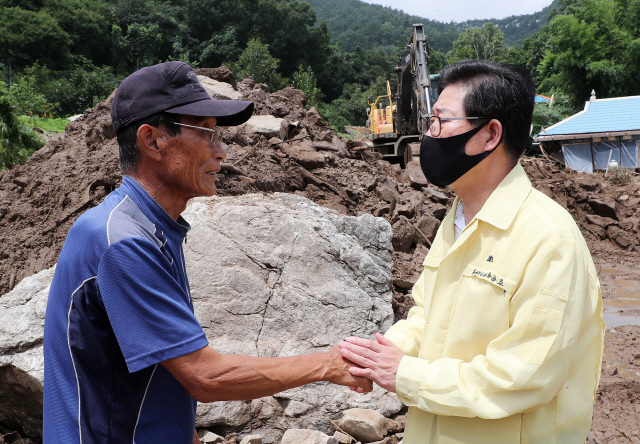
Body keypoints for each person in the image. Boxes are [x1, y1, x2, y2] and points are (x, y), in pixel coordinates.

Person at [43, 61, 371, 444]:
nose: (222, 153)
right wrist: (327, 364)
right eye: (207, 134)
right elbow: (205, 376)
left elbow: (156, 360)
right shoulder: (123, 242)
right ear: (152, 141)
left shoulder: (151, 225)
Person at [338, 60, 605, 444]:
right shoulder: (457, 218)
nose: (429, 135)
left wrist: (404, 375)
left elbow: (523, 376)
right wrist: (379, 354)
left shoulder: (549, 239)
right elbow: (429, 318)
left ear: (490, 134)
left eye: (439, 122)